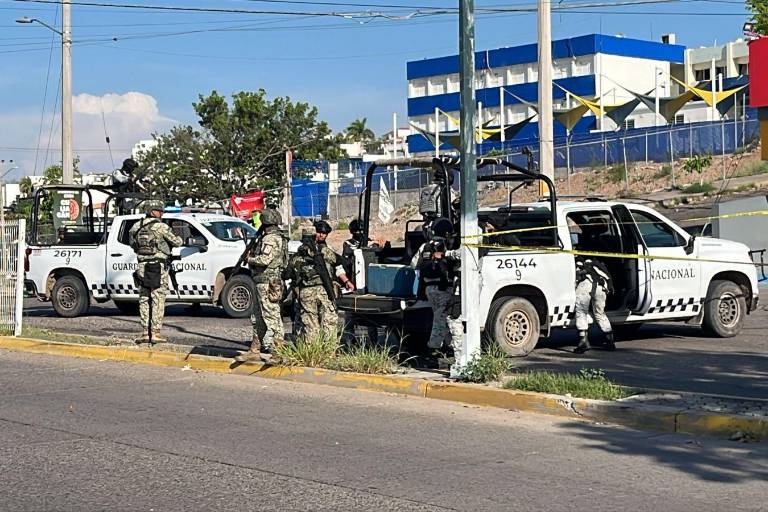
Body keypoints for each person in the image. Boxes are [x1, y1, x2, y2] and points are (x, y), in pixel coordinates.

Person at [235, 208, 288, 362]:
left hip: (268, 283)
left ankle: (278, 353)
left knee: (272, 317)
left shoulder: (270, 239)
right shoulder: (275, 237)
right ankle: (254, 350)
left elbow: (264, 260)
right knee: (258, 318)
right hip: (262, 282)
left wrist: (249, 259)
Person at [288, 220, 355, 341]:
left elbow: (339, 266)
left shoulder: (326, 250)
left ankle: (322, 348)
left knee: (326, 323)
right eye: (319, 232)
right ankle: (310, 347)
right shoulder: (302, 252)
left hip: (324, 289)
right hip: (307, 290)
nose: (322, 235)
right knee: (307, 324)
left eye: (324, 233)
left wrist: (346, 281)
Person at [128, 200, 183, 343]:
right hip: (158, 266)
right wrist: (178, 236)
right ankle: (155, 333)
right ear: (153, 212)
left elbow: (132, 244)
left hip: (142, 266)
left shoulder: (136, 226)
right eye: (160, 211)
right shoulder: (161, 227)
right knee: (158, 298)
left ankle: (145, 332)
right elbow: (177, 242)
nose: (162, 213)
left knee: (144, 298)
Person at [411, 218, 458, 355]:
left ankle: (448, 347)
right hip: (444, 287)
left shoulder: (425, 246)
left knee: (443, 317)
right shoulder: (449, 245)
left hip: (429, 288)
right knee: (442, 318)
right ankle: (434, 348)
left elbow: (414, 264)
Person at [573, 256, 615, 354]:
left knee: (581, 312)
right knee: (600, 314)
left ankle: (583, 342)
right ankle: (610, 341)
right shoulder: (596, 265)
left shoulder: (578, 264)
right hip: (601, 286)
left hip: (585, 285)